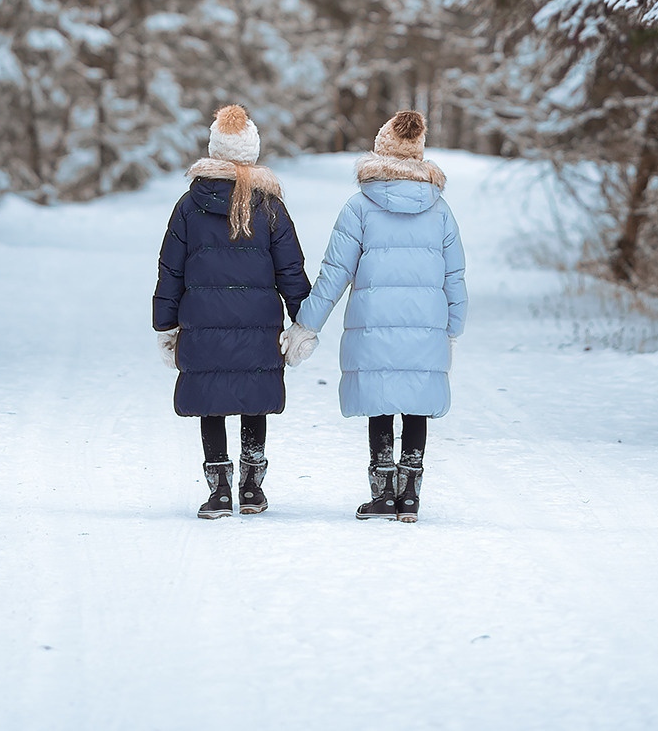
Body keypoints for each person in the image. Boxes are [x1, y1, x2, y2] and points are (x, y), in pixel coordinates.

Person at [285, 109, 466, 522]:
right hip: (425, 329)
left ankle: (383, 494)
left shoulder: (359, 207)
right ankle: (411, 497)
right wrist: (453, 327)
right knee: (417, 403)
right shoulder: (441, 211)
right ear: (419, 155)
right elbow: (455, 275)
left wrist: (305, 325)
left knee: (381, 403)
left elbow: (335, 273)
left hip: (372, 330)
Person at [153, 104, 311, 518]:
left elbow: (170, 266)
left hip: (202, 321)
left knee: (211, 398)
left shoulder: (190, 205)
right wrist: (303, 319)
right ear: (252, 152)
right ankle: (252, 488)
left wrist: (165, 323)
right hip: (258, 322)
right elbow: (290, 267)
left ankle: (219, 489)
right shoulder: (270, 206)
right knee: (253, 395)